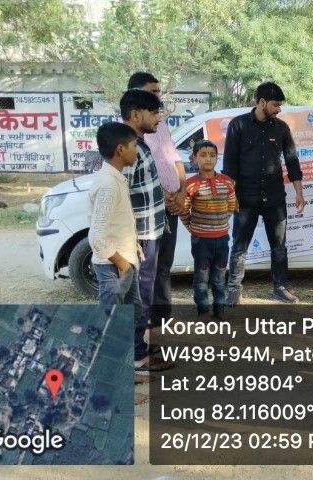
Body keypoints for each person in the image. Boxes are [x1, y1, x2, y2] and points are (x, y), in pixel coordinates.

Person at [223, 82, 306, 304]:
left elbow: (292, 161)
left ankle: (280, 287)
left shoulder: (282, 128)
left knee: (279, 247)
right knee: (239, 246)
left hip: (275, 198)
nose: (279, 109)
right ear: (262, 102)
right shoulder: (238, 125)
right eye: (275, 105)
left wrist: (299, 194)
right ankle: (234, 289)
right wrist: (231, 195)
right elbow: (229, 164)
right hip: (245, 198)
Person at [127, 72, 187, 328]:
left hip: (172, 205)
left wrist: (182, 191)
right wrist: (166, 196)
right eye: (153, 92)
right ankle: (145, 321)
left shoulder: (160, 125)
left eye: (159, 93)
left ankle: (162, 317)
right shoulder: (125, 133)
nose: (158, 98)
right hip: (151, 208)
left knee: (164, 264)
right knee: (147, 267)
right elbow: (141, 175)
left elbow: (175, 158)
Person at [120, 88, 173, 373]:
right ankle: (137, 356)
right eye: (153, 113)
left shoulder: (139, 143)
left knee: (145, 292)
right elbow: (121, 195)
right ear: (135, 114)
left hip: (149, 232)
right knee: (138, 294)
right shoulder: (126, 147)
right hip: (138, 236)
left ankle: (140, 345)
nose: (158, 119)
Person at [89, 122, 142, 364]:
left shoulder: (115, 179)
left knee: (133, 315)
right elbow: (97, 237)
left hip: (124, 262)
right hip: (114, 267)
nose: (136, 151)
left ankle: (132, 364)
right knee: (112, 327)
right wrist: (122, 264)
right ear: (121, 149)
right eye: (134, 146)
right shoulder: (108, 185)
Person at [180, 140, 237, 322]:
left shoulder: (227, 182)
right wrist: (193, 228)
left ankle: (219, 308)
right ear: (194, 158)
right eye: (203, 155)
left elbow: (231, 206)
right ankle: (203, 310)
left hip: (222, 239)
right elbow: (183, 210)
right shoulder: (190, 184)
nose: (208, 159)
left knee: (219, 276)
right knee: (201, 277)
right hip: (201, 241)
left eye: (212, 155)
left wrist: (220, 223)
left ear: (217, 158)